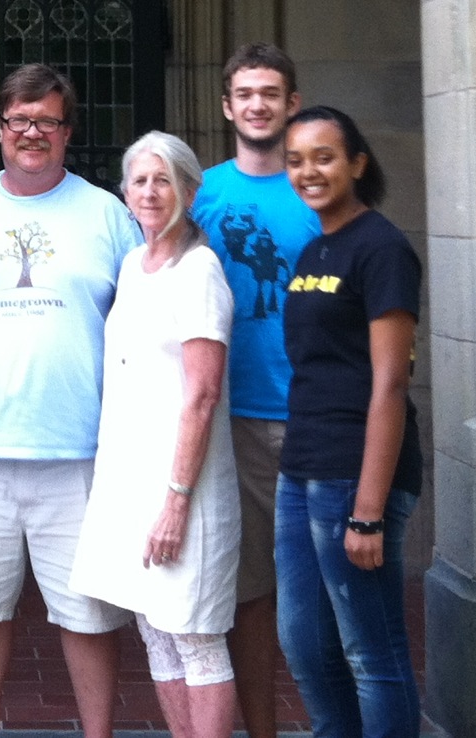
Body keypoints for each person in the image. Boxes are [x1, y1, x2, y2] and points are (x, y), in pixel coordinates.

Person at [0, 63, 139, 738]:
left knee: (88, 615)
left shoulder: (108, 214)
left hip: (78, 450)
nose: (32, 133)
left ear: (67, 131)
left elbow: (134, 318)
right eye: (19, 120)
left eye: (46, 120)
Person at [70, 131, 241, 737]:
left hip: (182, 488)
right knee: (156, 632)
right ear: (124, 191)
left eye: (163, 179)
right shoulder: (132, 266)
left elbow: (201, 396)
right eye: (140, 180)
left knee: (195, 638)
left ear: (190, 191)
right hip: (132, 482)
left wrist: (176, 501)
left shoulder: (199, 272)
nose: (149, 191)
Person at [277, 106, 422, 737]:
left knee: (371, 651)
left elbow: (390, 383)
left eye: (325, 156)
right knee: (306, 646)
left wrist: (368, 510)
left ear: (358, 163)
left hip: (355, 478)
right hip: (301, 468)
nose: (309, 171)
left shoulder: (382, 248)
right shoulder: (315, 246)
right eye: (296, 160)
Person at [191, 42, 320, 737]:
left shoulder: (316, 188)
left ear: (290, 103)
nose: (257, 104)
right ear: (226, 106)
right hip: (231, 422)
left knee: (324, 593)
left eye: (270, 92)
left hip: (313, 416)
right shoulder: (202, 193)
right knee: (249, 596)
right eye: (244, 93)